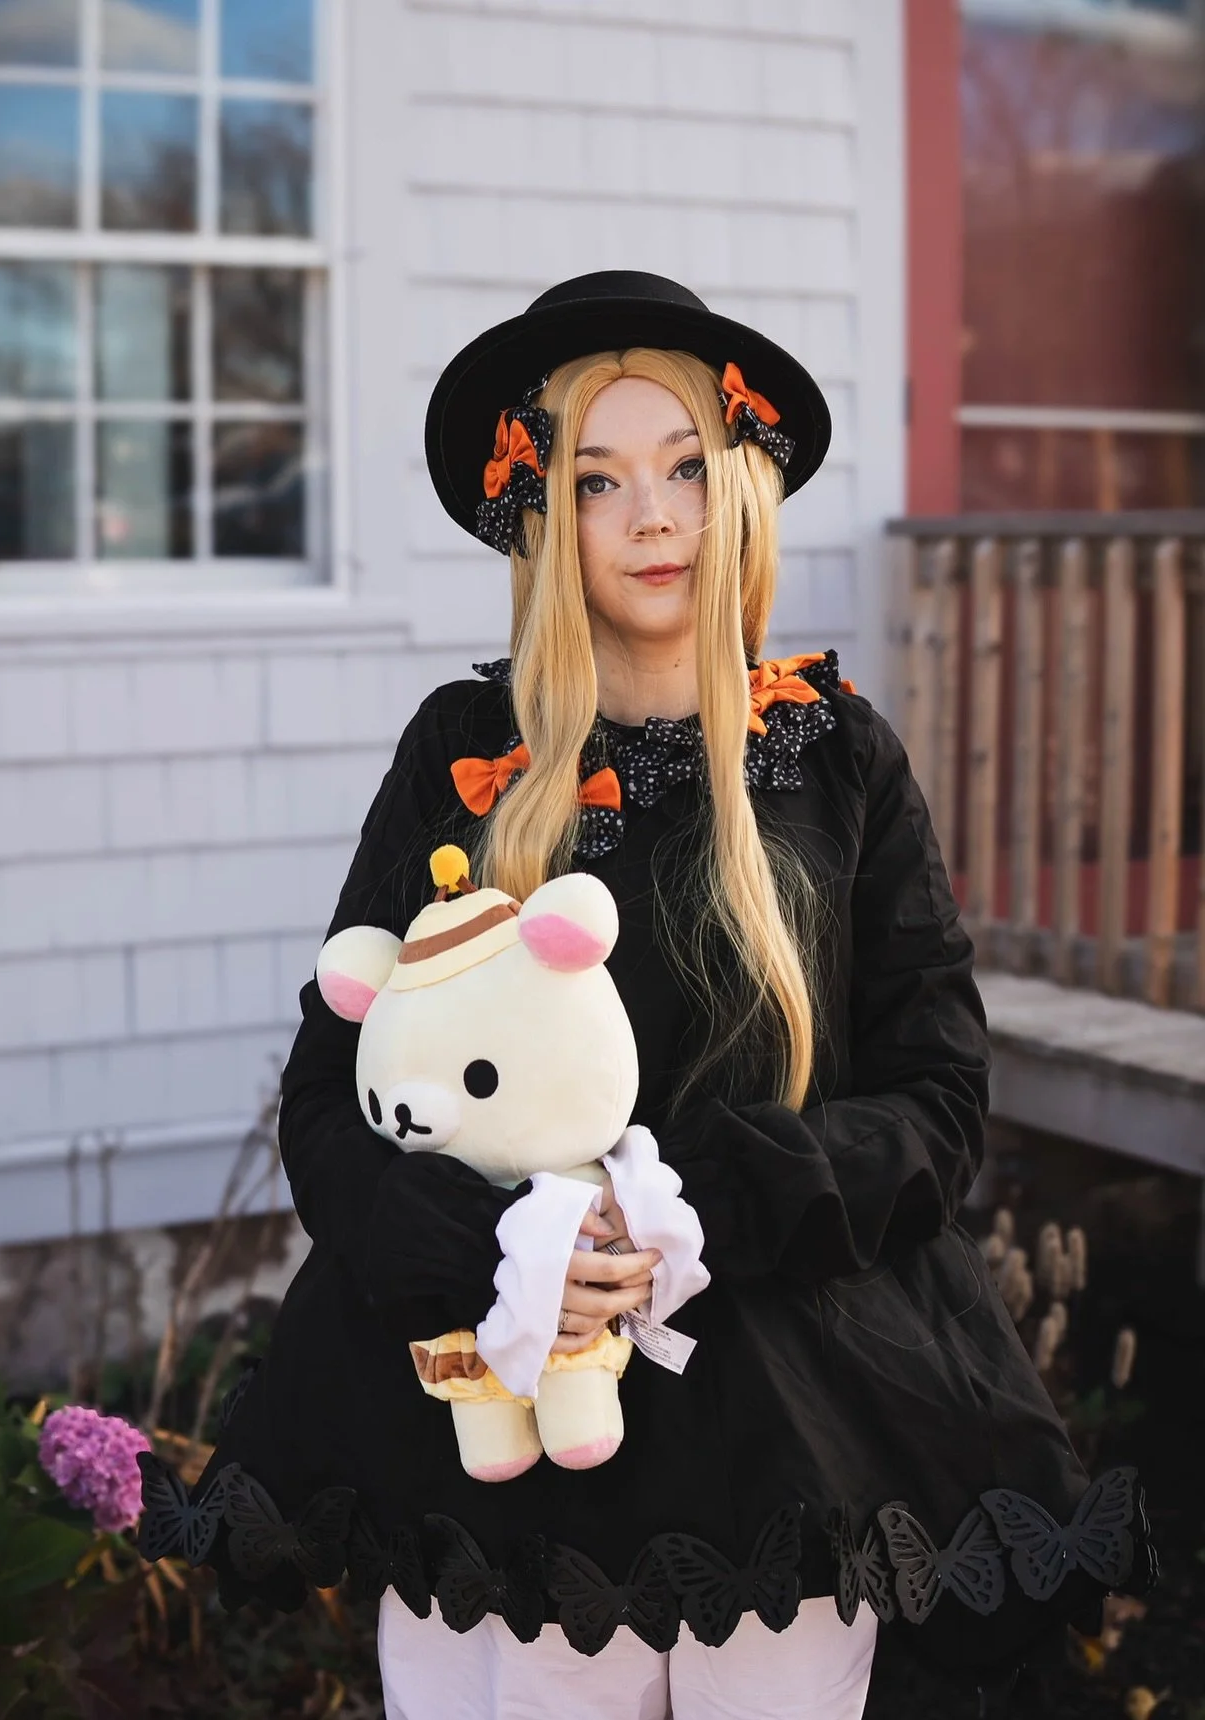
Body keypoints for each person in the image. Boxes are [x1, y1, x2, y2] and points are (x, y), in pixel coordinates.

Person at [159, 273, 1154, 1720]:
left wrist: (690, 1201)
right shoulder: (462, 751)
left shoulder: (836, 760)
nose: (651, 516)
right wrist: (511, 1248)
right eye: (598, 477)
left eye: (686, 468)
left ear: (739, 485)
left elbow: (936, 1102)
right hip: (493, 1433)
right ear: (541, 513)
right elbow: (332, 1094)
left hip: (783, 1425)